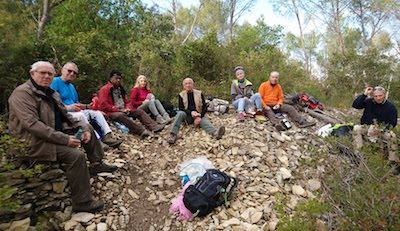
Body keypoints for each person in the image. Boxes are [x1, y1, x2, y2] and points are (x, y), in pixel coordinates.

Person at [8, 61, 118, 213]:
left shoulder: (51, 93)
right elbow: (33, 125)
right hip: (32, 142)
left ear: (54, 76)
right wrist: (65, 140)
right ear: (32, 74)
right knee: (76, 155)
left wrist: (83, 128)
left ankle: (96, 163)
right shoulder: (22, 94)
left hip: (55, 134)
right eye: (43, 73)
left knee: (89, 130)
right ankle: (82, 201)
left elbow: (67, 116)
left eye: (50, 74)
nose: (47, 76)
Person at [50, 62, 122, 148]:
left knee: (97, 113)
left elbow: (76, 103)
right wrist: (67, 107)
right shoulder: (55, 82)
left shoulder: (71, 87)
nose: (72, 74)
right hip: (63, 114)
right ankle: (97, 140)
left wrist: (88, 106)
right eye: (69, 71)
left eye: (75, 73)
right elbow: (51, 103)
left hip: (74, 112)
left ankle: (107, 136)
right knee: (81, 115)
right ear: (62, 70)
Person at [98, 70, 164, 137]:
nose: (118, 80)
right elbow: (104, 104)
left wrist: (127, 108)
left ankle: (154, 126)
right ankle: (140, 130)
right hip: (111, 112)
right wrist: (118, 109)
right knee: (120, 115)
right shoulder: (104, 89)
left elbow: (126, 101)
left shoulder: (121, 89)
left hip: (123, 109)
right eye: (116, 78)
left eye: (119, 78)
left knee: (139, 112)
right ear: (111, 78)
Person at [352, 86, 399, 173]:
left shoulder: (390, 106)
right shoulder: (369, 102)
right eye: (376, 96)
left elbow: (393, 123)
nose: (378, 98)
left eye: (380, 96)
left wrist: (380, 130)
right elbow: (355, 105)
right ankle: (359, 154)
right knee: (356, 128)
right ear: (373, 96)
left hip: (382, 128)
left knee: (392, 136)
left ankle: (392, 162)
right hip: (367, 126)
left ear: (384, 95)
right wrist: (364, 94)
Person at [167, 78, 225, 144]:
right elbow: (181, 108)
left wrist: (200, 116)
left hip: (198, 115)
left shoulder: (199, 93)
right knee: (180, 113)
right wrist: (191, 112)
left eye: (189, 83)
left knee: (205, 121)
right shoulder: (181, 95)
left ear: (193, 85)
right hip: (187, 116)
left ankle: (215, 133)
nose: (188, 85)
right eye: (186, 84)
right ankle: (173, 134)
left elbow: (204, 107)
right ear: (183, 86)